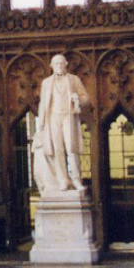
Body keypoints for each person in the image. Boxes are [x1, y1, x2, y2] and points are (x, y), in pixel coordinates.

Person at [34, 54, 89, 193]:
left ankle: (76, 179)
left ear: (66, 64)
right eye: (56, 64)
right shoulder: (46, 82)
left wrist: (78, 99)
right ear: (52, 66)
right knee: (57, 150)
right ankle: (62, 179)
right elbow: (42, 104)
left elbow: (86, 98)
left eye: (61, 63)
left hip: (68, 116)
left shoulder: (74, 80)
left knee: (72, 148)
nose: (59, 66)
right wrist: (40, 125)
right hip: (53, 118)